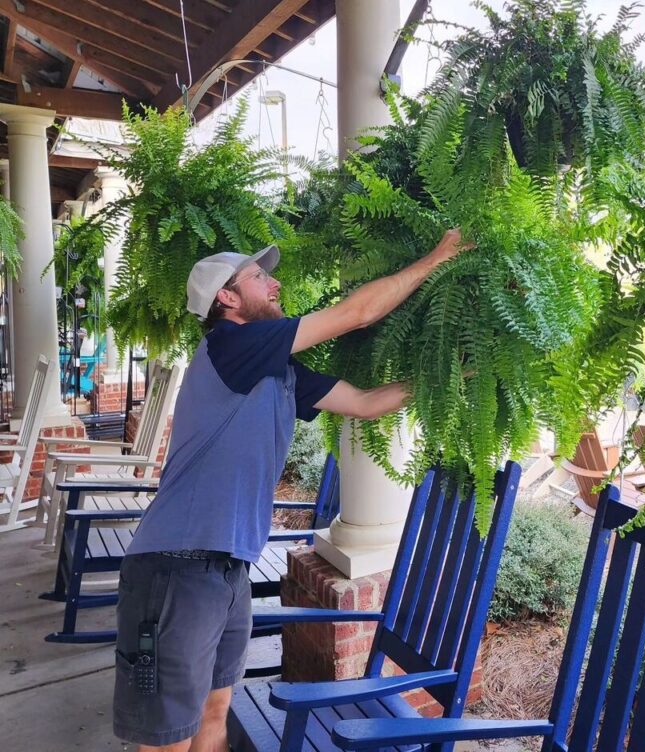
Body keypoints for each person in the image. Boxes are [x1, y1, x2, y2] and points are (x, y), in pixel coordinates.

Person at [113, 229, 470, 751]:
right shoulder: (231, 345)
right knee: (167, 738)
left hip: (228, 568)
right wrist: (437, 258)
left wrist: (456, 372)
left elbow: (366, 403)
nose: (274, 282)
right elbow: (357, 314)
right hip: (176, 569)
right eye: (260, 277)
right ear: (227, 298)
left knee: (215, 711)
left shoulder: (275, 368)